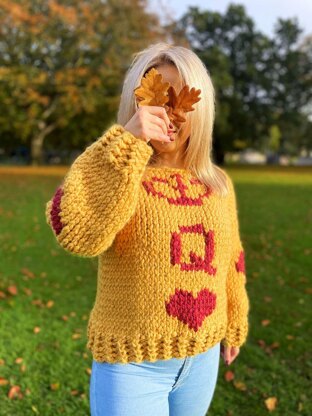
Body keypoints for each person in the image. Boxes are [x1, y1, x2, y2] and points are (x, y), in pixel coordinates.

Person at [45, 42, 250, 416]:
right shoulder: (123, 175)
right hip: (132, 364)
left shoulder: (217, 183)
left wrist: (235, 318)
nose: (169, 110)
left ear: (200, 108)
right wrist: (125, 144)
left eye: (181, 98)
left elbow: (230, 259)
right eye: (155, 95)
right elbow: (77, 232)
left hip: (202, 358)